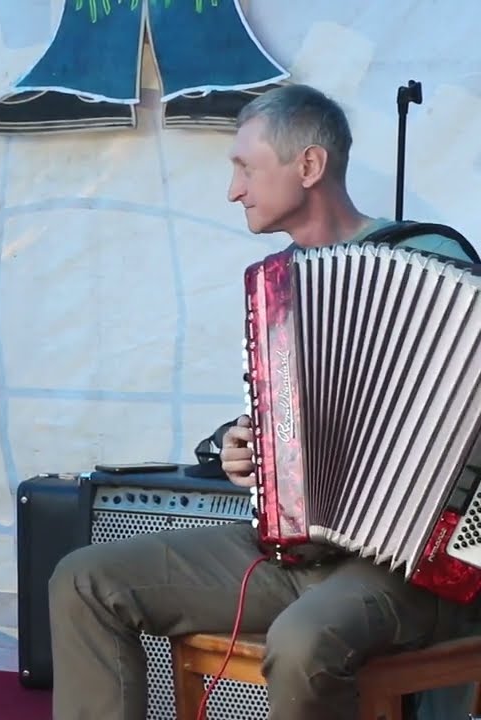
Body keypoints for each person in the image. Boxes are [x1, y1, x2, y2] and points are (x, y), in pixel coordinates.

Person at [47, 83, 477, 720]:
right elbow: (287, 410)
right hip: (289, 551)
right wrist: (245, 445)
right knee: (83, 579)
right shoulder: (279, 289)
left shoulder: (433, 260)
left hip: (412, 568)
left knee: (303, 641)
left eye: (245, 168)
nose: (234, 190)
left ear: (309, 166)